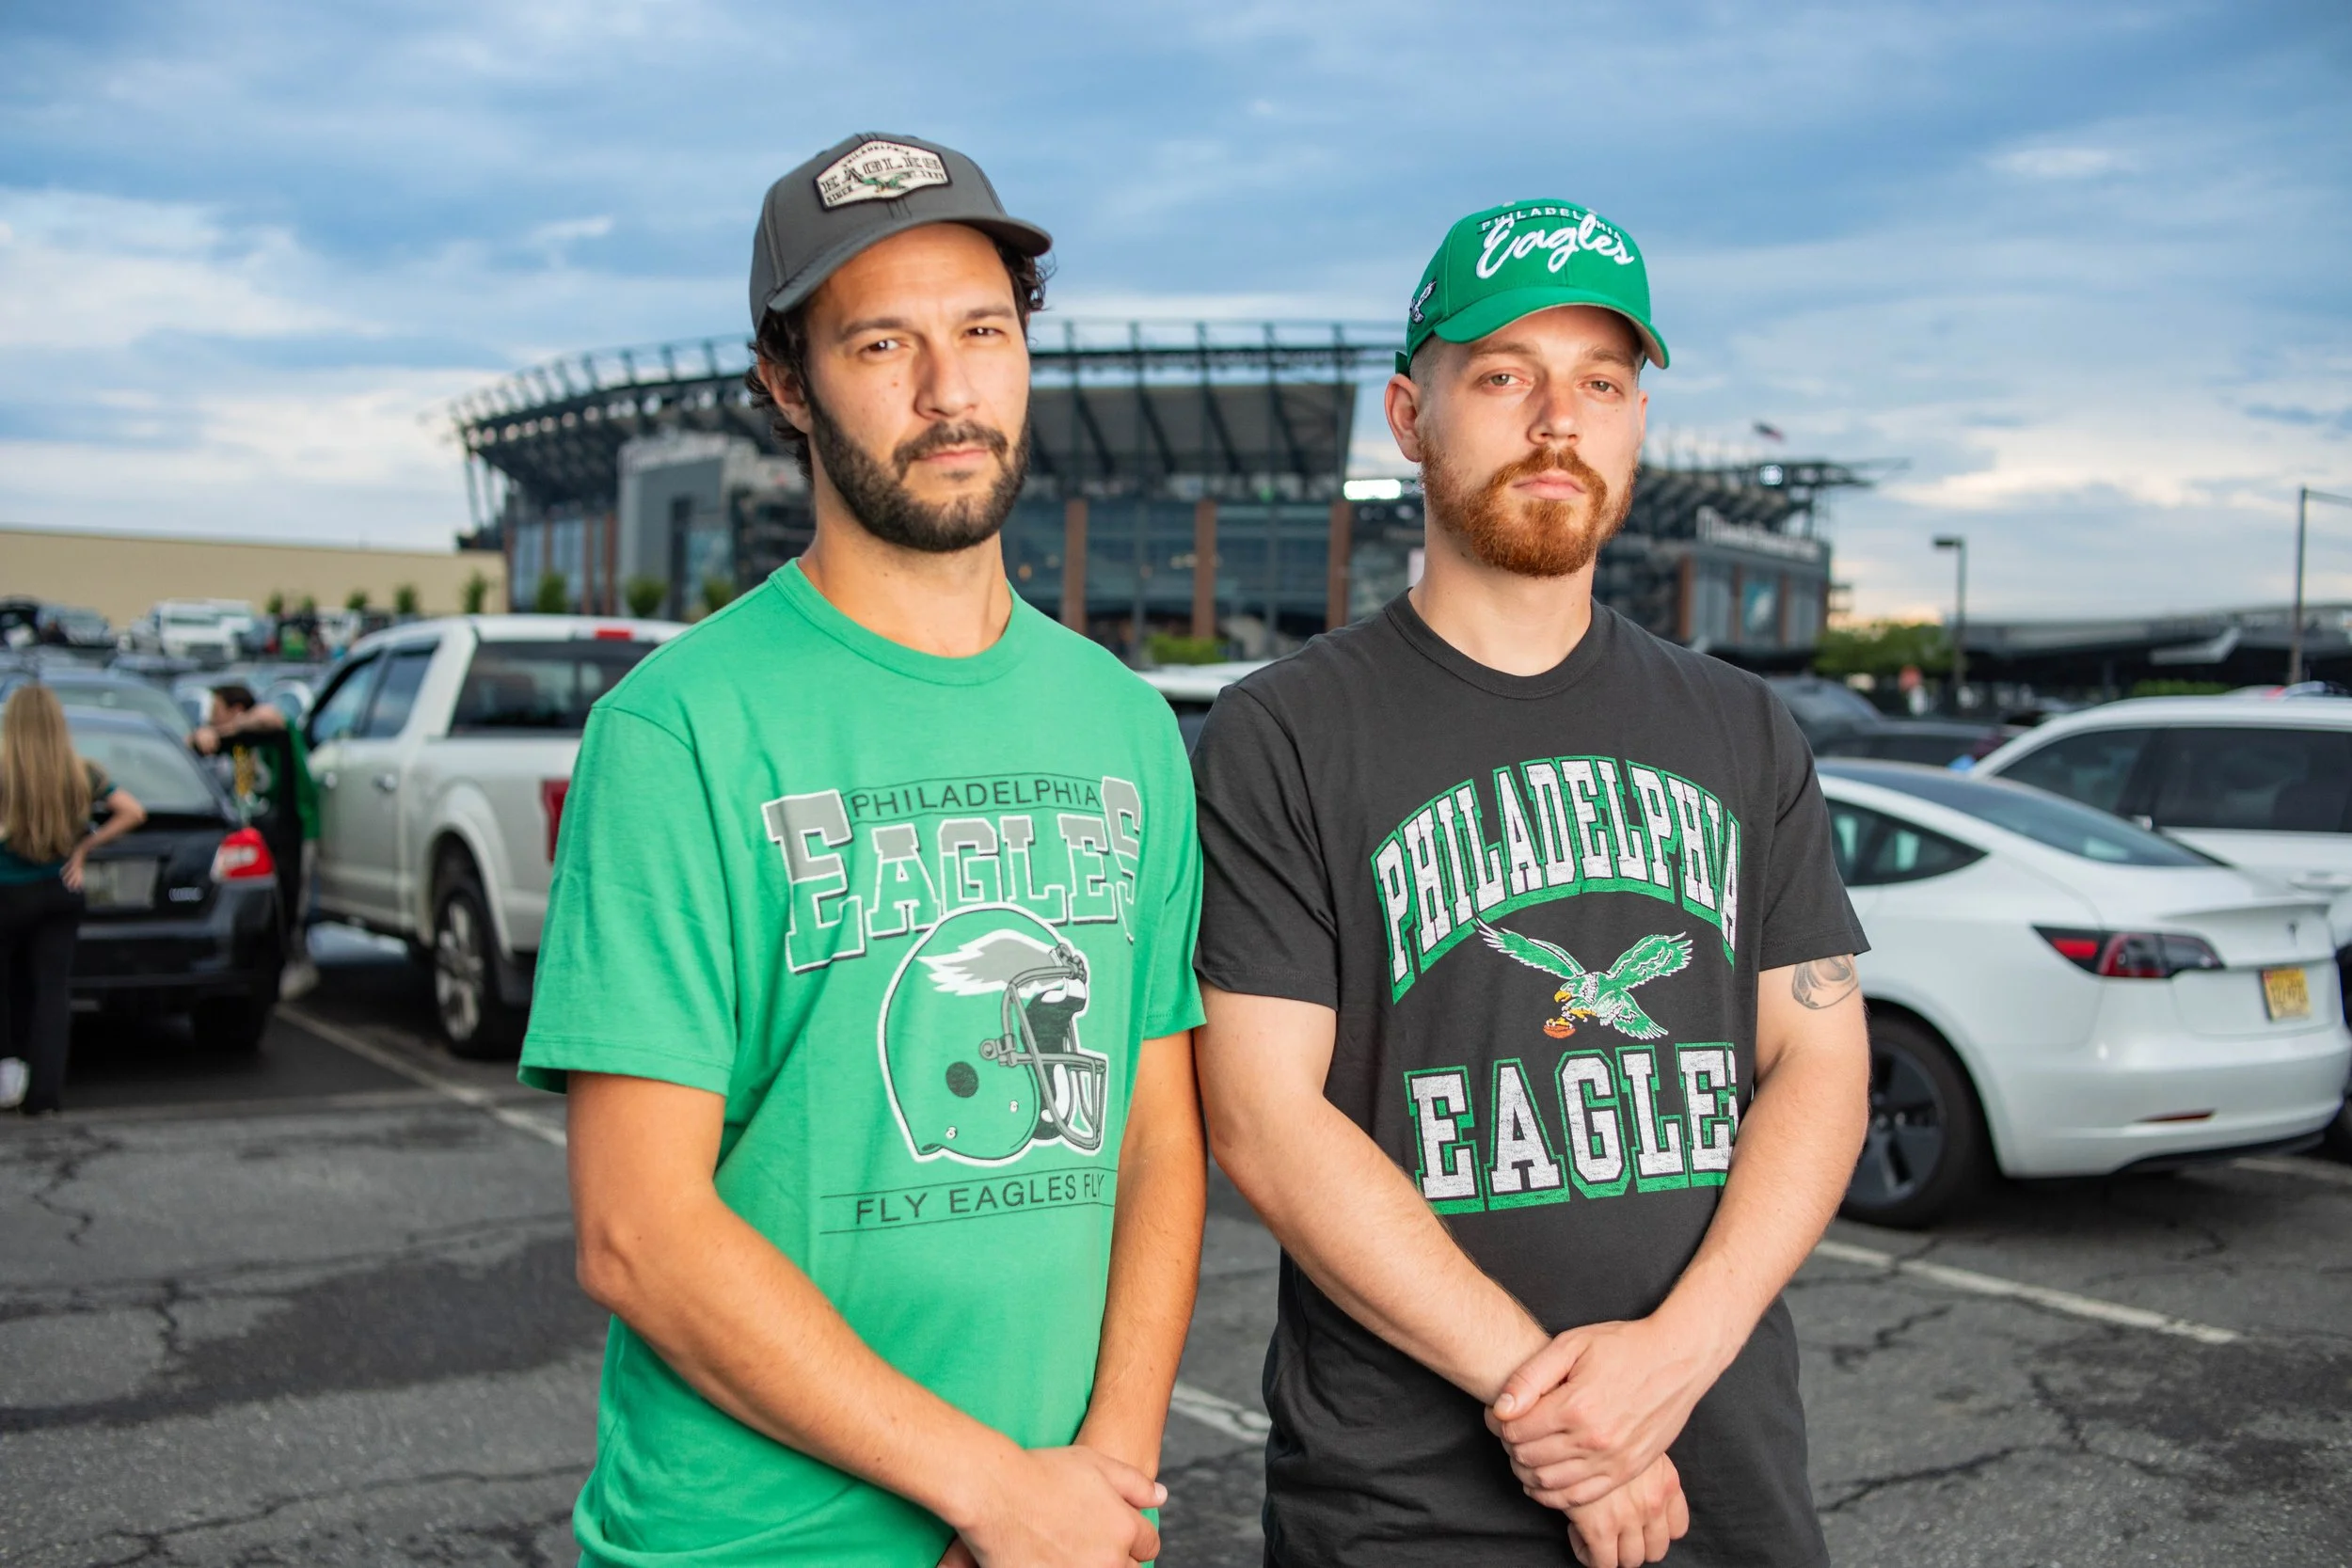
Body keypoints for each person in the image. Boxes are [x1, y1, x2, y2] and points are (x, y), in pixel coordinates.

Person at [517, 133, 1206, 1567]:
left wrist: (1105, 1478)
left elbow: (1154, 1135)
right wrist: (987, 1487)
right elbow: (636, 1226)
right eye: (882, 341)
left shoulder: (1127, 724)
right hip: (758, 1538)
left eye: (985, 333)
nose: (949, 391)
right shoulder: (680, 731)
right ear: (787, 381)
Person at [1190, 198, 1871, 1568]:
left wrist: (1670, 1362)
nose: (1559, 417)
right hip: (1409, 1504)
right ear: (1409, 411)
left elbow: (1818, 1059)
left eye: (1603, 382)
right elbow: (1264, 1119)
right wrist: (1559, 1409)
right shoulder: (1288, 731)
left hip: (1718, 1468)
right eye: (1504, 374)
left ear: (1635, 423)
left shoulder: (1740, 729)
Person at [0, 684, 147, 1115]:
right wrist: (83, 850)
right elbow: (134, 811)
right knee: (52, 990)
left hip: (7, 893)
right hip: (62, 890)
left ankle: (7, 1076)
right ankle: (44, 1096)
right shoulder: (81, 771)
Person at [193, 684, 320, 998]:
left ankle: (299, 962)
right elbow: (245, 793)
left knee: (294, 899)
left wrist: (226, 730)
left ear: (236, 710)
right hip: (263, 833)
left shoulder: (267, 724)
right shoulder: (240, 747)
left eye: (216, 712)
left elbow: (271, 717)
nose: (212, 720)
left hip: (298, 826)